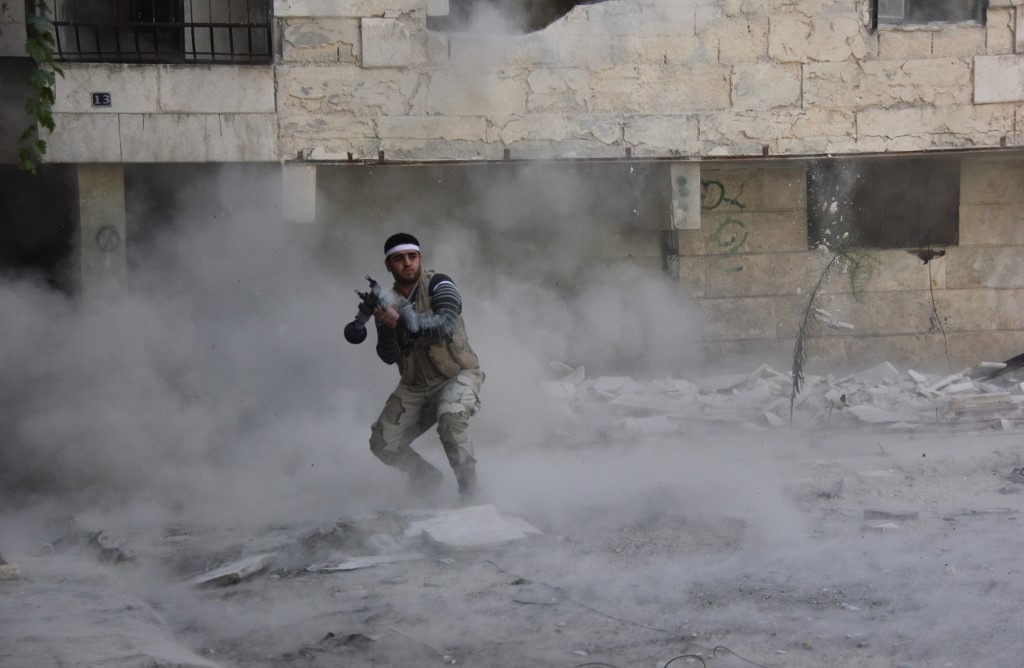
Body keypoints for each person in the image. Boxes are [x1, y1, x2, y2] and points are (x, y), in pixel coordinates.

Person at [367, 233, 485, 500]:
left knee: (451, 418)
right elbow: (388, 355)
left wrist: (405, 319)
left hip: (457, 375)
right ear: (388, 265)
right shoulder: (387, 302)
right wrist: (388, 327)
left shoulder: (439, 284)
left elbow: (445, 323)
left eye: (412, 256)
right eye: (399, 258)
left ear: (420, 258)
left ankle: (470, 493)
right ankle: (425, 476)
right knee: (382, 443)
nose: (407, 263)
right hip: (416, 386)